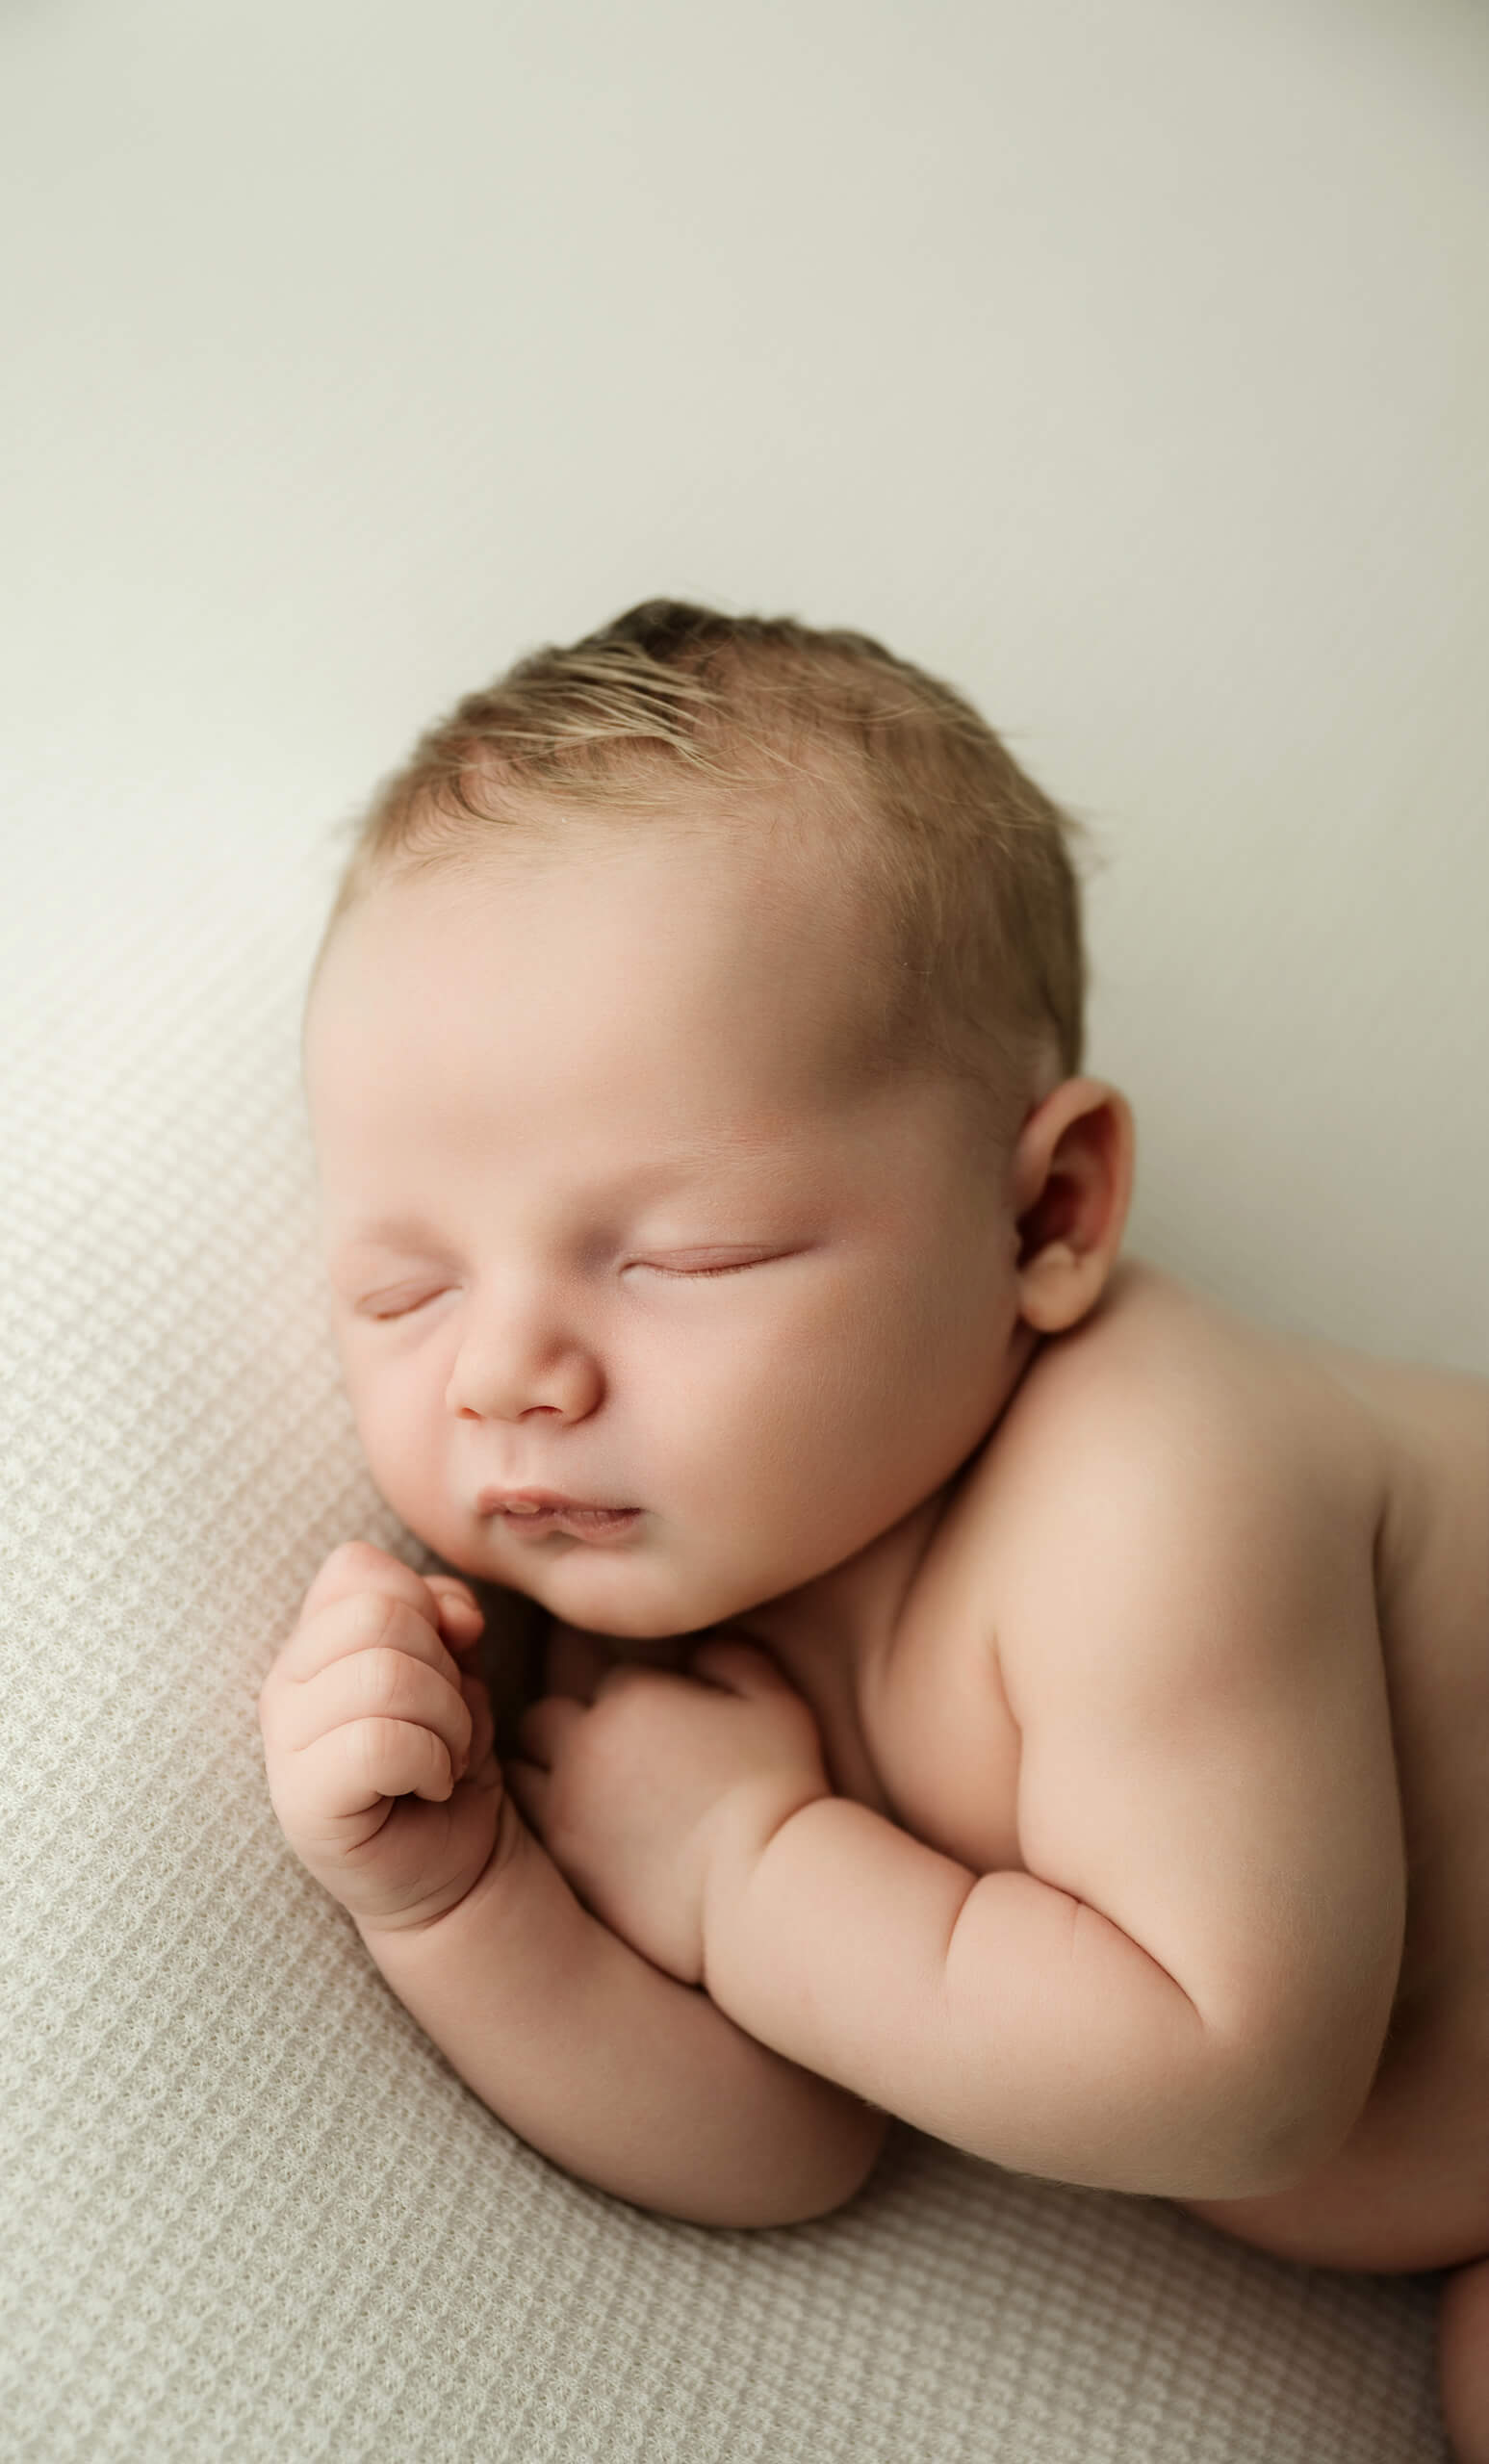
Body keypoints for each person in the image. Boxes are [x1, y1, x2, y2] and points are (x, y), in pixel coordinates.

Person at [258, 602, 1489, 2460]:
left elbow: (1237, 2080)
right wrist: (463, 1899)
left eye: (687, 1258)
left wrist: (746, 1865)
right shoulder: (644, 1604)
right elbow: (786, 2141)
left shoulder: (1157, 1481)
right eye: (403, 1290)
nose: (507, 1372)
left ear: (1045, 1215)